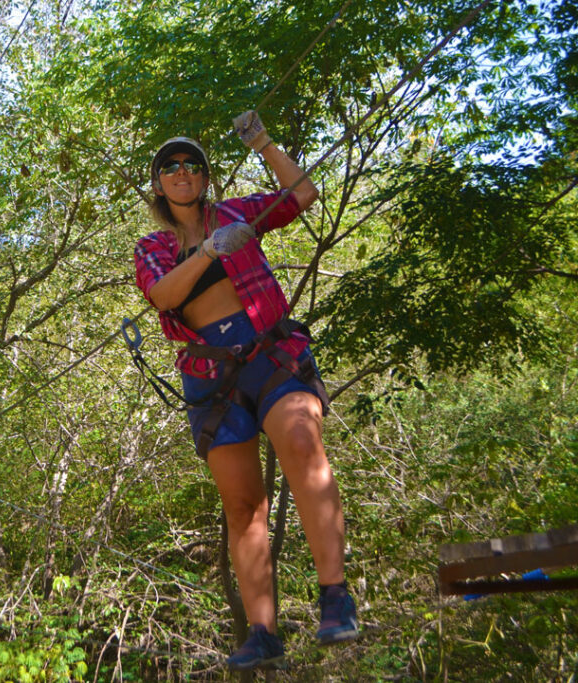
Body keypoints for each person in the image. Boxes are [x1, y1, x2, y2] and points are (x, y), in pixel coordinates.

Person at [133, 112, 357, 671]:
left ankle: (335, 595)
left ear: (205, 178)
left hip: (272, 352)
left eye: (192, 165)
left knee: (302, 442)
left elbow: (302, 193)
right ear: (158, 183)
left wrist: (263, 143)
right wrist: (210, 250)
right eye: (170, 167)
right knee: (242, 505)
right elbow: (162, 296)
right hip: (212, 377)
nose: (182, 172)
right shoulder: (153, 246)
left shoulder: (238, 212)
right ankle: (263, 630)